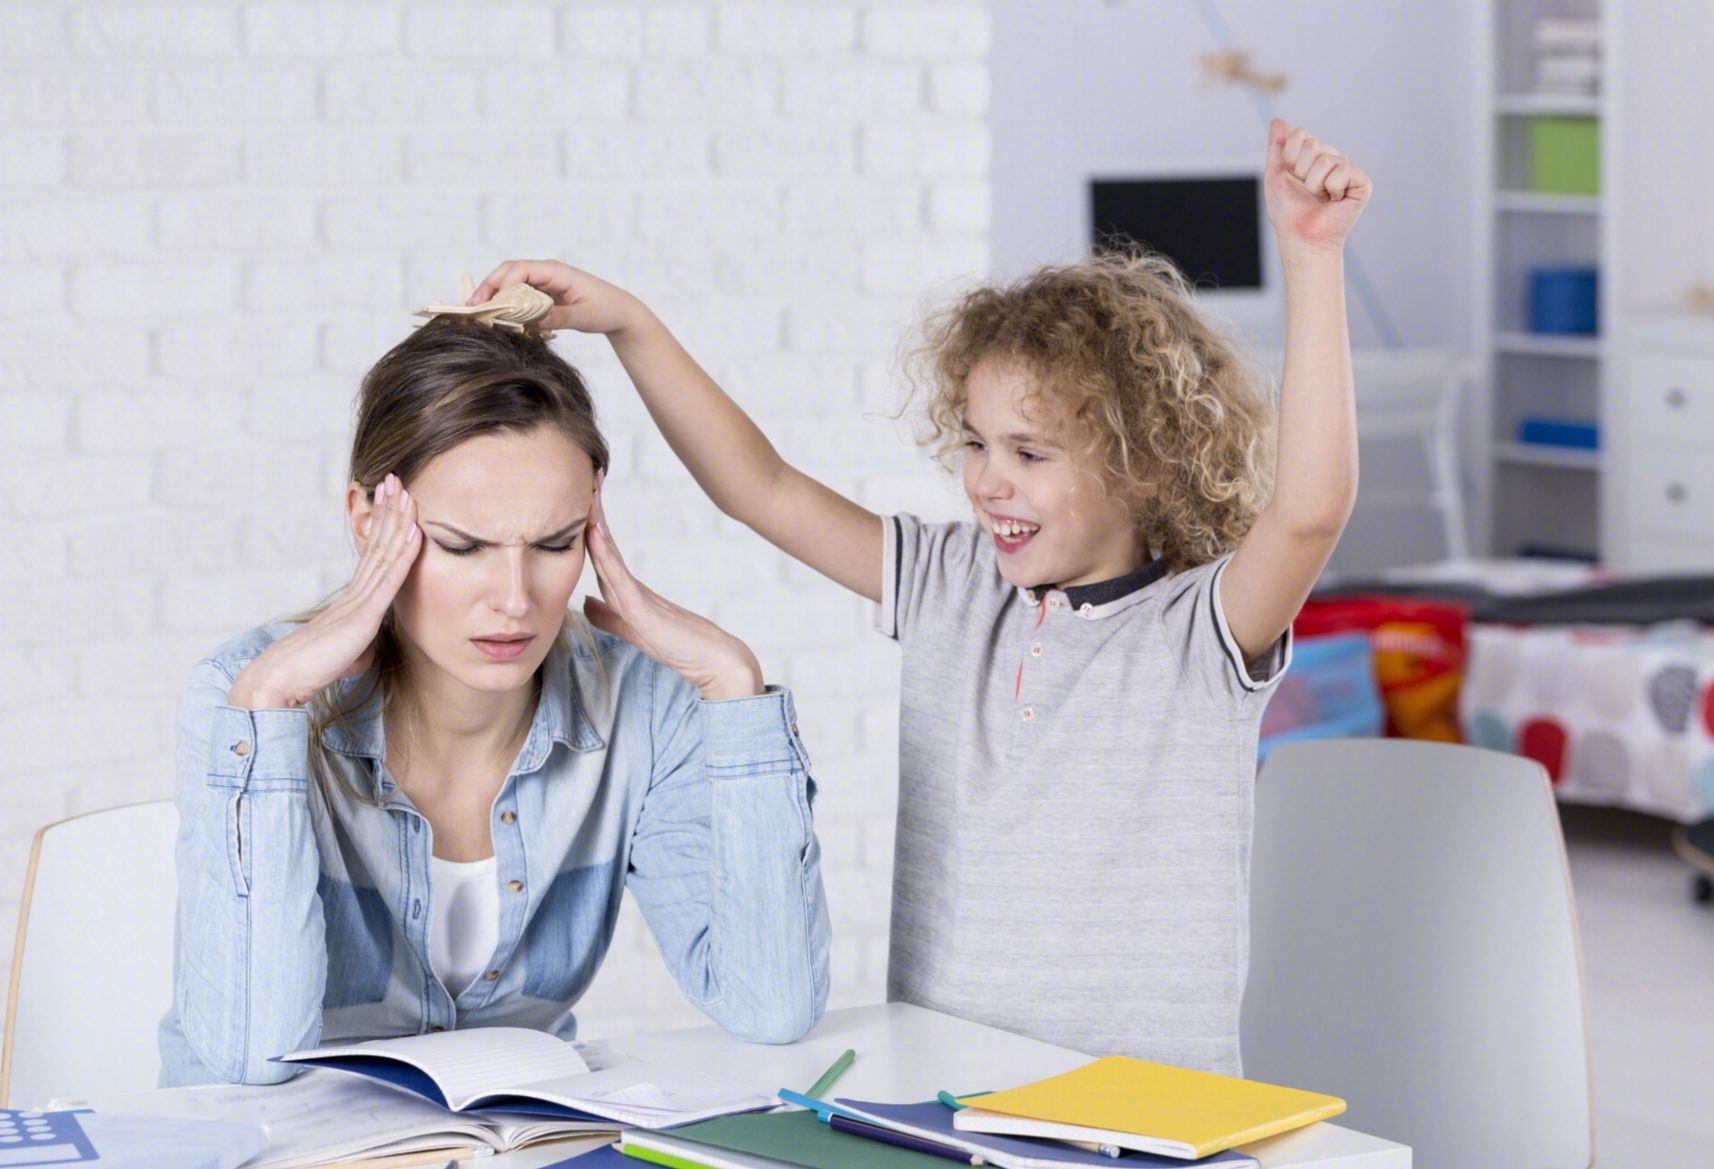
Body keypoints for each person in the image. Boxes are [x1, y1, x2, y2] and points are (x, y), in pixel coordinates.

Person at [469, 120, 1368, 1075]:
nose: (988, 481)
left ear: (1143, 466)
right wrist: (629, 323)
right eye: (976, 443)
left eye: (1030, 453)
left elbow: (1309, 512)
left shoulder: (1199, 631)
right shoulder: (953, 583)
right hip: (947, 1098)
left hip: (1143, 1119)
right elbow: (759, 488)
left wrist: (1312, 259)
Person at [158, 317, 830, 1087]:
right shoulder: (246, 695)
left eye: (554, 544)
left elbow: (771, 1005)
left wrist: (733, 684)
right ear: (368, 523)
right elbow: (251, 1056)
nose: (515, 600)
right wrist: (269, 706)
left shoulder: (644, 706)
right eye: (462, 546)